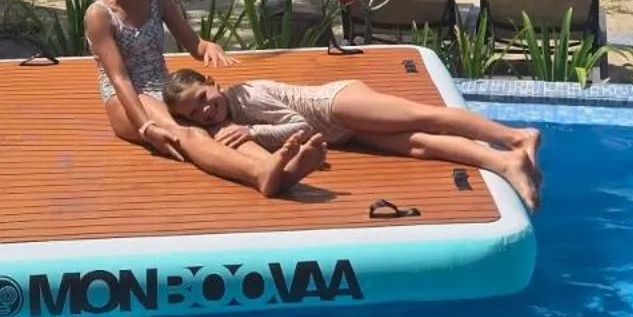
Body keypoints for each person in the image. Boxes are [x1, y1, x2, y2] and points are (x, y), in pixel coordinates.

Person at [85, 0, 323, 199]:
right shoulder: (99, 14)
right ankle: (258, 173)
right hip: (126, 98)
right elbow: (119, 78)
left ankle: (277, 170)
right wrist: (146, 127)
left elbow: (194, 45)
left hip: (165, 89)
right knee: (187, 133)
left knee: (222, 125)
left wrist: (210, 47)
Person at [162, 69, 543, 210]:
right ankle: (505, 162)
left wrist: (252, 131)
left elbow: (299, 125)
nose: (205, 110)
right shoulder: (224, 118)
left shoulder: (245, 96)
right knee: (420, 145)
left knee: (427, 116)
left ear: (212, 83)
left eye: (204, 98)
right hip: (343, 132)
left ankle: (516, 136)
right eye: (194, 113)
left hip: (334, 105)